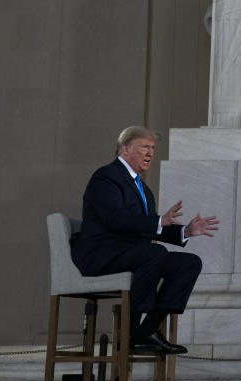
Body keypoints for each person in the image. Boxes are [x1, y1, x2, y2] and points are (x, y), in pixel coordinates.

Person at [71, 126, 220, 354]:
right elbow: (115, 220)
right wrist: (159, 221)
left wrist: (185, 232)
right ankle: (130, 331)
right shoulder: (106, 177)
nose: (150, 153)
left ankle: (146, 330)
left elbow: (149, 227)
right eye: (144, 147)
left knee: (189, 263)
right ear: (125, 149)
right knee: (155, 253)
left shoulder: (143, 189)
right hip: (101, 255)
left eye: (152, 148)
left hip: (131, 254)